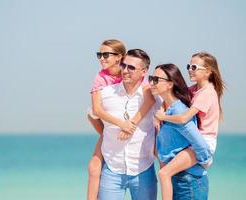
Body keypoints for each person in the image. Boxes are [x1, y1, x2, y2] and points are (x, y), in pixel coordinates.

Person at [87, 41, 155, 200]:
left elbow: (152, 102)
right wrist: (119, 126)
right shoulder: (102, 83)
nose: (101, 59)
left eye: (105, 55)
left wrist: (130, 125)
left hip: (142, 167)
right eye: (99, 55)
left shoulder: (145, 87)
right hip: (111, 156)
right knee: (94, 167)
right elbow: (94, 111)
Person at [154, 52, 225, 200]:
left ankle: (205, 160)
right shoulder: (194, 89)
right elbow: (172, 93)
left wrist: (163, 116)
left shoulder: (207, 92)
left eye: (194, 67)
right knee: (165, 172)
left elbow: (184, 118)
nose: (189, 70)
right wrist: (161, 108)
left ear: (208, 71)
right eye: (188, 66)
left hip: (204, 140)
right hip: (195, 140)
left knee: (164, 173)